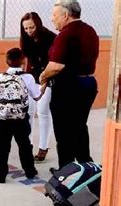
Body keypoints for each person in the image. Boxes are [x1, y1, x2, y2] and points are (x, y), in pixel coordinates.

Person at [39, 0, 99, 172]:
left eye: (54, 15)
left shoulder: (66, 34)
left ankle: (66, 174)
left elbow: (56, 65)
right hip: (87, 84)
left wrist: (42, 78)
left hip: (69, 88)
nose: (52, 19)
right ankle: (86, 170)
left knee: (64, 134)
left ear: (65, 15)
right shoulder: (90, 31)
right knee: (79, 128)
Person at [0, 48, 43, 183]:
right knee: (24, 144)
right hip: (20, 118)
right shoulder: (28, 77)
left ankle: (0, 174)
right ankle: (30, 171)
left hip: (3, 118)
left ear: (7, 61)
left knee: (3, 146)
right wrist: (44, 84)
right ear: (23, 60)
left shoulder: (1, 77)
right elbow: (37, 96)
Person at [20, 12, 57, 163]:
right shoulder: (25, 38)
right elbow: (25, 60)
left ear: (38, 24)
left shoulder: (50, 37)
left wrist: (44, 81)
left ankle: (43, 147)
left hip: (47, 77)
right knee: (28, 111)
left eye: (31, 27)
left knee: (42, 111)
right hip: (31, 76)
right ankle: (27, 145)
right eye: (26, 28)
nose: (29, 31)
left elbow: (53, 62)